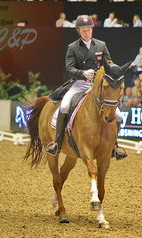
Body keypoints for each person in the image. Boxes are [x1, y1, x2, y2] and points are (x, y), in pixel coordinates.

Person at [45, 15, 126, 160]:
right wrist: (83, 73)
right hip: (80, 84)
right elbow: (69, 69)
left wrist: (114, 71)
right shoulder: (73, 47)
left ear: (92, 30)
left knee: (119, 115)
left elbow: (110, 63)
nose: (87, 33)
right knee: (64, 106)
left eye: (89, 30)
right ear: (78, 31)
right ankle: (57, 142)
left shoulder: (101, 45)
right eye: (84, 31)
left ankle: (115, 146)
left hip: (99, 86)